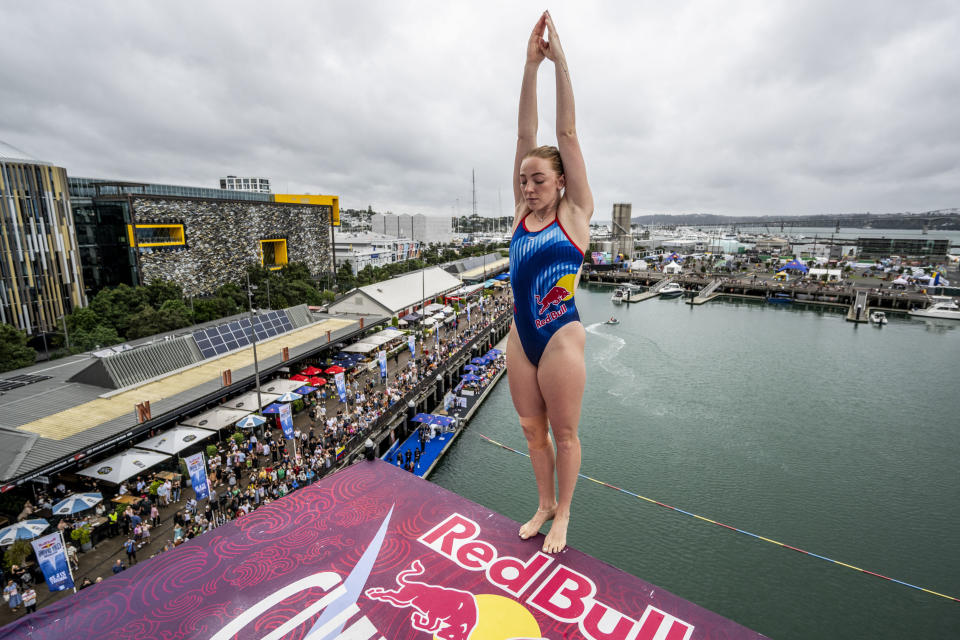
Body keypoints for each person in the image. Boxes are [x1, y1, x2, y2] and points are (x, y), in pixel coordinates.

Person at [507, 11, 592, 554]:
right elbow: (523, 133)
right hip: (521, 336)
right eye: (524, 179)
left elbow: (565, 133)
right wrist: (527, 66)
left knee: (564, 435)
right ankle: (542, 503)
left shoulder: (576, 213)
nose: (529, 185)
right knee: (531, 433)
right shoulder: (520, 212)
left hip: (560, 336)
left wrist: (558, 62)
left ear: (560, 181)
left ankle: (563, 515)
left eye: (539, 179)